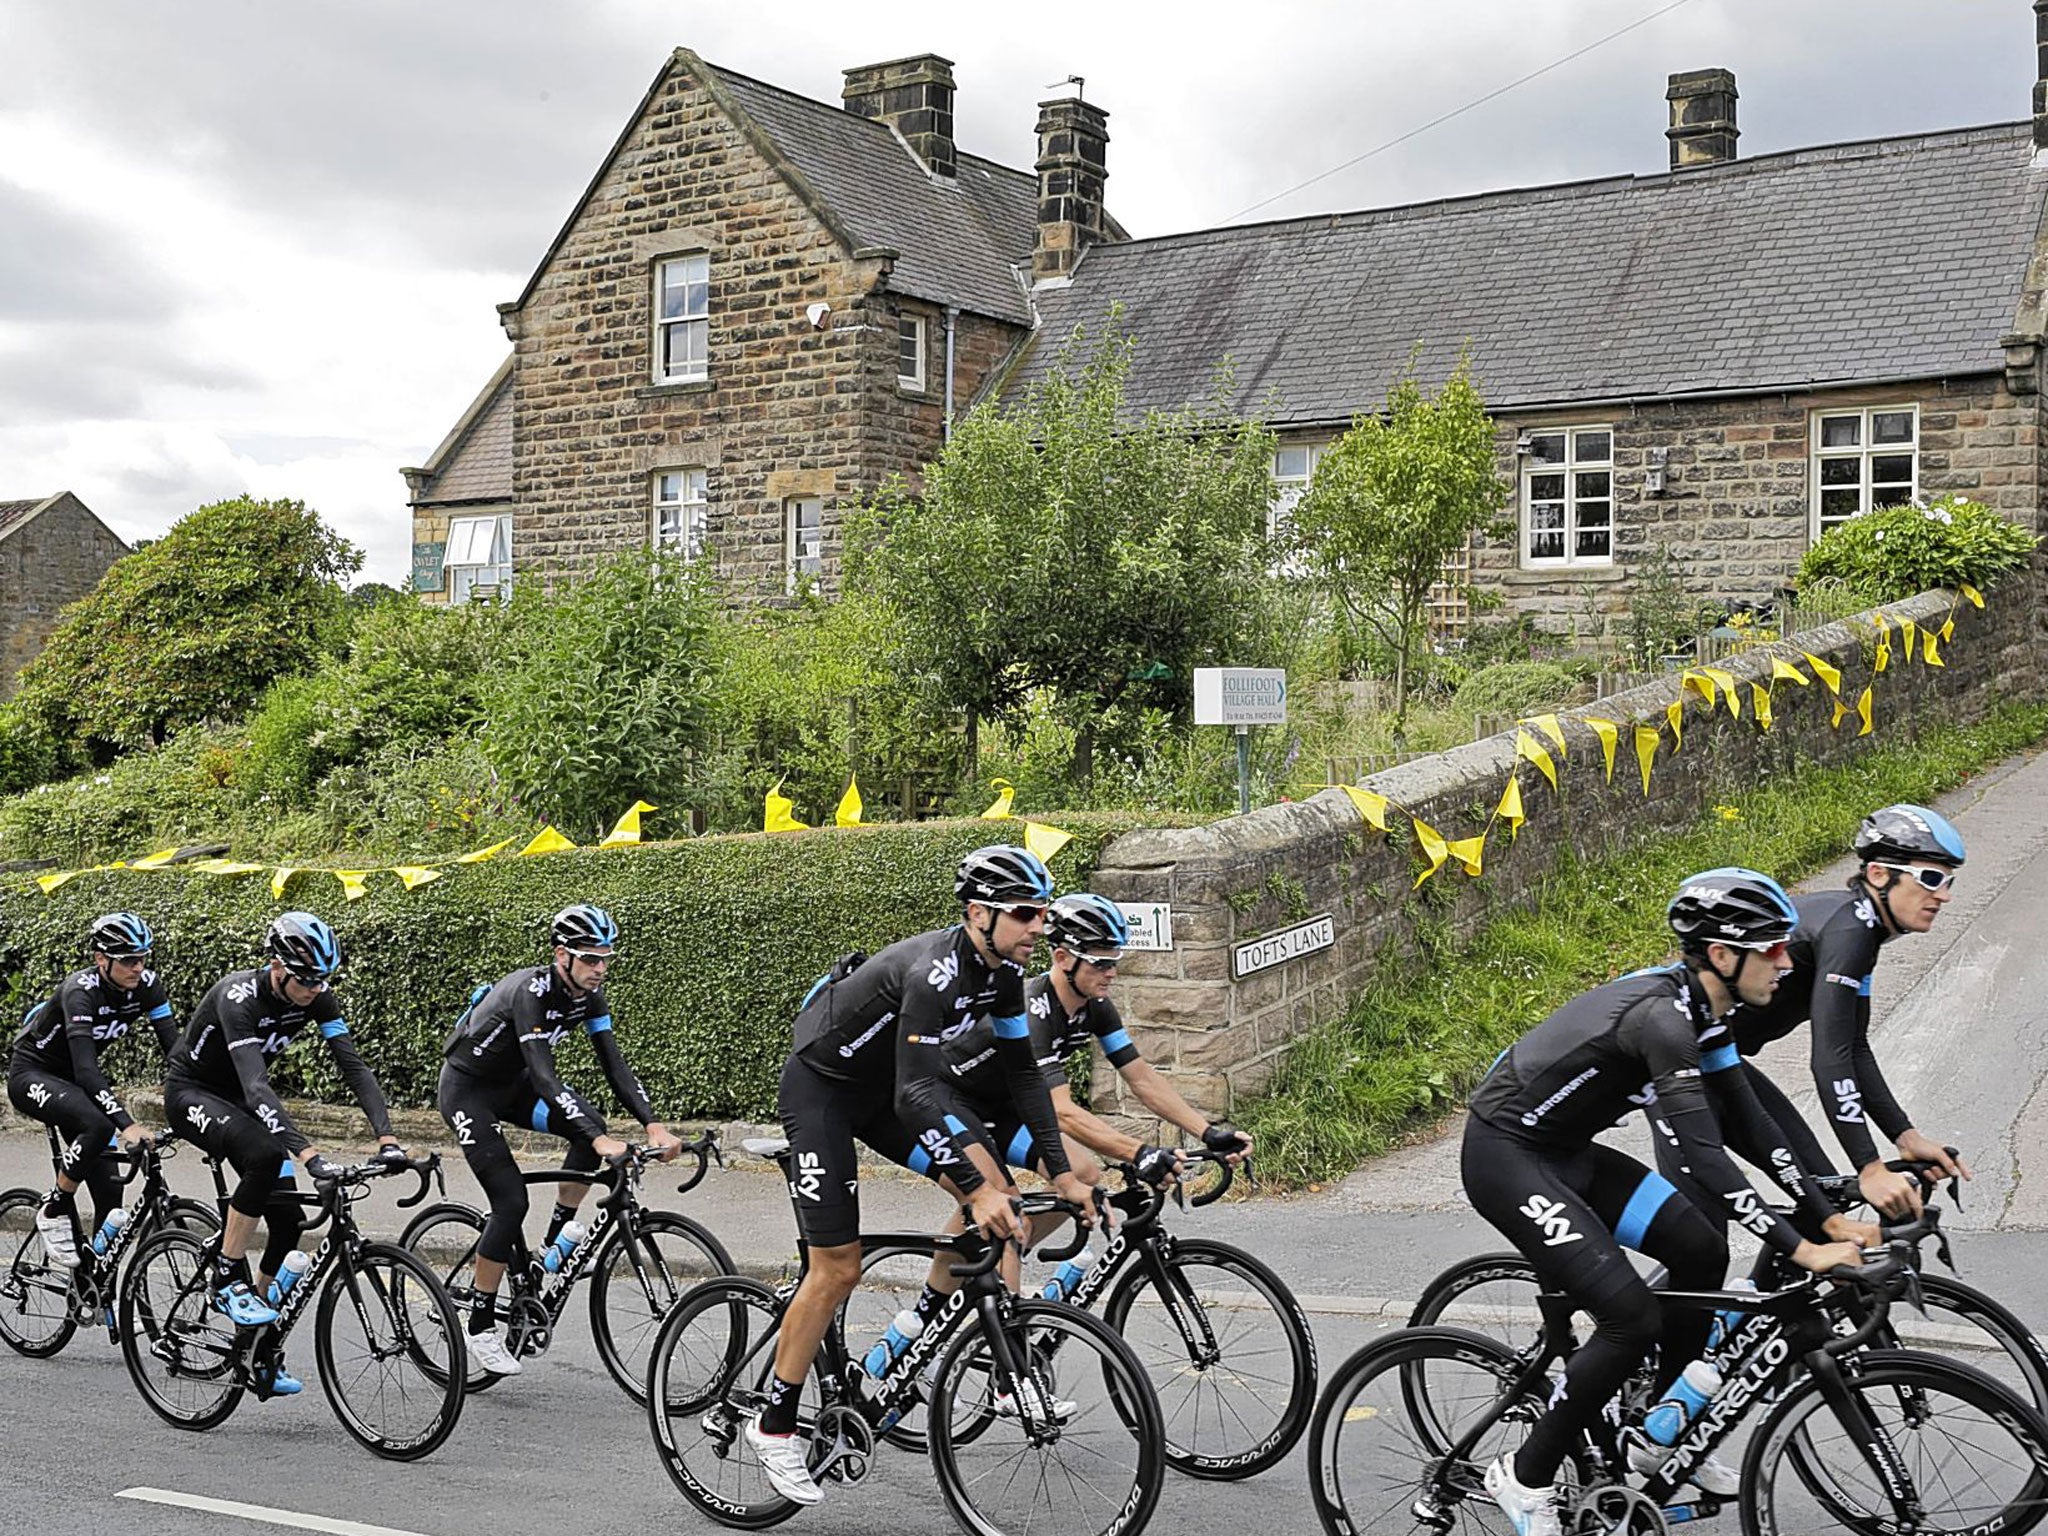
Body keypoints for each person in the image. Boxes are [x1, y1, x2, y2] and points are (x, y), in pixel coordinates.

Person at [1464, 868, 1863, 1536]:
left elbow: (1750, 1125)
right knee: (1629, 1318)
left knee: (1700, 1249)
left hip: (1568, 1154)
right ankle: (1524, 1476)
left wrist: (1823, 1212)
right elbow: (1707, 1159)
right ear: (1721, 955)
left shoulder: (1709, 1013)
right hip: (1507, 1158)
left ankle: (1658, 1429)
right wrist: (1805, 1249)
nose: (1787, 961)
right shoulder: (1663, 1023)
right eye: (1770, 948)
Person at [748, 845, 1095, 1506]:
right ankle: (774, 1425)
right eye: (1025, 914)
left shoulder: (999, 975)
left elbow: (1025, 1076)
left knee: (990, 1203)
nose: (1038, 928)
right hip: (821, 1091)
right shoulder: (933, 973)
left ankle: (921, 1334)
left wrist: (1062, 1172)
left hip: (881, 1094)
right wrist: (979, 1185)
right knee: (839, 1269)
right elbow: (916, 1096)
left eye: (1043, 914)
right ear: (977, 914)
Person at [1659, 805, 1971, 1223]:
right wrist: (1868, 1166)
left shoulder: (1860, 930)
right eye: (1930, 878)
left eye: (1948, 881)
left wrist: (1904, 1136)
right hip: (1673, 1066)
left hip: (1715, 1059)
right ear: (1879, 874)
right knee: (1701, 1248)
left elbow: (1854, 1046)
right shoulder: (1850, 933)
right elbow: (1830, 1058)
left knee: (1822, 1194)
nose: (1944, 895)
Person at [164, 912, 406, 1397]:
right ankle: (228, 1277)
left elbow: (353, 1067)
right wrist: (308, 1152)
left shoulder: (316, 995)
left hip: (237, 1103)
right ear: (277, 968)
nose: (316, 989)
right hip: (192, 1094)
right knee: (265, 1154)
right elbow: (256, 1085)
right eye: (307, 980)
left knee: (290, 1222)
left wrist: (387, 1138)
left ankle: (254, 1347)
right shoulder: (238, 998)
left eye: (324, 980)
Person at [437, 902, 683, 1377]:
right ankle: (480, 1323)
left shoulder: (589, 996)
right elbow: (546, 1079)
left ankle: (554, 1241)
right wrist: (600, 1141)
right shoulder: (531, 992)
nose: (600, 968)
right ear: (561, 956)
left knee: (588, 1121)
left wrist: (652, 1124)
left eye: (605, 958)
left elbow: (615, 1068)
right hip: (469, 1092)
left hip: (514, 1089)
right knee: (510, 1201)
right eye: (590, 958)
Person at [934, 891, 1253, 1253]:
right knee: (1004, 1204)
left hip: (1003, 1109)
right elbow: (1062, 1113)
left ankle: (1001, 1278)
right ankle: (938, 1303)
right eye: (1099, 963)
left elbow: (1141, 1078)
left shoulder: (1095, 1007)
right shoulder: (1033, 1013)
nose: (1111, 972)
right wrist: (1138, 1152)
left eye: (1113, 961)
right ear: (1062, 958)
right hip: (952, 1104)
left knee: (1082, 1174)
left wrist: (1207, 1133)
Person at [7, 912, 178, 1267]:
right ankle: (54, 1209)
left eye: (144, 958)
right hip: (32, 1075)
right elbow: (87, 1071)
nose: (138, 967)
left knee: (111, 1191)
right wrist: (127, 1125)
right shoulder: (80, 992)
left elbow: (176, 1052)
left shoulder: (147, 986)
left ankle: (95, 1283)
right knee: (100, 1125)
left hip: (71, 1085)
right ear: (101, 959)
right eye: (129, 960)